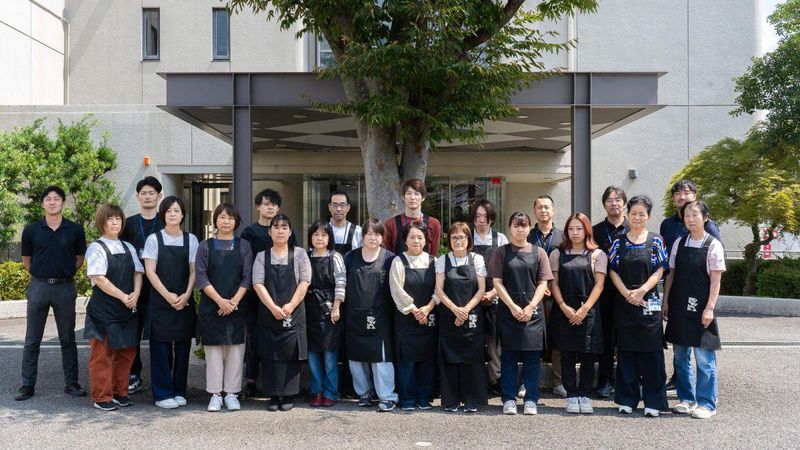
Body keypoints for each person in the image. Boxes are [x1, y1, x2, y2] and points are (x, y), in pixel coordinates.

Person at [16, 186, 88, 401]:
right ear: (43, 203)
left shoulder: (75, 229)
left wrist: (65, 272)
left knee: (67, 338)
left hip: (64, 287)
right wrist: (41, 275)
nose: (52, 202)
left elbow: (79, 258)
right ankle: (27, 385)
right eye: (48, 199)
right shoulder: (31, 230)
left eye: (57, 198)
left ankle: (72, 383)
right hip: (38, 287)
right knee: (32, 339)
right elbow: (26, 261)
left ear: (63, 202)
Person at [608, 195, 669, 417]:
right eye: (633, 213)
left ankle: (654, 402)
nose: (637, 217)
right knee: (626, 354)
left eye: (642, 214)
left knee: (652, 355)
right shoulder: (619, 241)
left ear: (649, 216)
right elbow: (612, 270)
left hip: (648, 302)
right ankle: (627, 399)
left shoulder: (656, 241)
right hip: (625, 303)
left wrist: (642, 290)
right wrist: (626, 293)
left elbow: (660, 270)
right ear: (627, 215)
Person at [659, 179, 722, 392]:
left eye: (686, 192)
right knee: (680, 351)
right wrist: (666, 299)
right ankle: (684, 393)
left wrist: (710, 306)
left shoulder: (711, 233)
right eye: (678, 193)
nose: (682, 196)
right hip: (678, 295)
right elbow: (670, 269)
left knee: (703, 353)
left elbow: (716, 273)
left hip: (701, 296)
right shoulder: (669, 227)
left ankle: (706, 399)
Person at [489, 212, 554, 415]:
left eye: (523, 225)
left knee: (532, 359)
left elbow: (543, 282)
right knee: (508, 357)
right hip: (508, 312)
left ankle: (531, 399)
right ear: (510, 228)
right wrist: (512, 306)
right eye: (516, 226)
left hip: (533, 313)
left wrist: (531, 306)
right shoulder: (501, 252)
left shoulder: (539, 252)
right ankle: (508, 398)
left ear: (529, 228)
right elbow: (497, 282)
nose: (520, 229)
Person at [83, 204, 144, 411]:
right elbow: (99, 278)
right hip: (103, 311)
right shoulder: (96, 247)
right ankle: (102, 397)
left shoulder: (128, 247)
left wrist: (136, 293)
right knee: (102, 355)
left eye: (118, 219)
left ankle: (120, 392)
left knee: (126, 353)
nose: (115, 222)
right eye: (110, 219)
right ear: (102, 222)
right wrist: (123, 296)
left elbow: (138, 272)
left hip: (126, 309)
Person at [142, 196, 199, 409]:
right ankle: (162, 393)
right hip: (160, 302)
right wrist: (167, 295)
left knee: (183, 348)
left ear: (183, 214)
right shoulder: (154, 239)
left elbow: (194, 270)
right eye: (169, 211)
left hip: (184, 301)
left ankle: (179, 390)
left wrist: (186, 295)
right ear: (163, 215)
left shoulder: (191, 239)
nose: (173, 214)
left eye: (177, 210)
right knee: (161, 349)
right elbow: (150, 271)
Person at [240, 189, 298, 398]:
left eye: (273, 204)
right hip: (256, 293)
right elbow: (245, 262)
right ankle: (251, 379)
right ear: (258, 206)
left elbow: (294, 258)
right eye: (266, 203)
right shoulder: (249, 232)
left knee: (281, 336)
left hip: (283, 292)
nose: (270, 207)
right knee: (254, 336)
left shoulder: (287, 231)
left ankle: (281, 384)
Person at [196, 204, 252, 412]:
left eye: (230, 217)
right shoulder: (205, 246)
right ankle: (215, 395)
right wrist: (220, 301)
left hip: (237, 308)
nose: (226, 221)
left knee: (236, 352)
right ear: (215, 220)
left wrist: (233, 302)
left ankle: (231, 394)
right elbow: (201, 277)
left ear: (236, 222)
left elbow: (247, 277)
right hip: (212, 308)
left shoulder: (244, 246)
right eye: (222, 217)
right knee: (213, 354)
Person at [549, 213, 607, 414]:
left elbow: (599, 285)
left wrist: (584, 309)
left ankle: (585, 395)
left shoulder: (597, 254)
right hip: (564, 310)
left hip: (588, 311)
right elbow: (554, 283)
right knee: (566, 354)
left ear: (587, 230)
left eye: (579, 228)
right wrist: (563, 306)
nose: (575, 233)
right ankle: (571, 395)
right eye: (571, 229)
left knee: (587, 355)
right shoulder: (557, 254)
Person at [252, 214, 311, 412]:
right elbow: (257, 283)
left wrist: (290, 305)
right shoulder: (262, 256)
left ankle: (288, 394)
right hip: (269, 312)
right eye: (276, 227)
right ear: (269, 232)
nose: (280, 231)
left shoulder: (300, 254)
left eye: (284, 227)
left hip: (293, 311)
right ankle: (273, 394)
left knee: (290, 353)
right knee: (270, 353)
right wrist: (273, 307)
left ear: (290, 232)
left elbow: (305, 281)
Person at [343, 219, 399, 412]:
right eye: (369, 233)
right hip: (354, 315)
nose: (373, 238)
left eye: (377, 234)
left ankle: (387, 396)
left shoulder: (390, 258)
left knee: (382, 359)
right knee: (356, 358)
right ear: (363, 236)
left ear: (382, 237)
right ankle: (364, 393)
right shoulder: (350, 257)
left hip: (381, 315)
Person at [435, 222, 487, 413]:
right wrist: (455, 309)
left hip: (472, 316)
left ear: (468, 239)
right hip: (449, 315)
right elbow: (439, 289)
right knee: (450, 359)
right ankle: (451, 400)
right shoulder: (442, 260)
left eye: (462, 237)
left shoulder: (477, 259)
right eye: (454, 237)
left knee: (472, 358)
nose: (458, 241)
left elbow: (481, 289)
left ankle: (471, 400)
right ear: (449, 240)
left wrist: (464, 310)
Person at [120, 176, 164, 394]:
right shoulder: (128, 223)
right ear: (137, 197)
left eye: (151, 193)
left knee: (159, 334)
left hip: (160, 288)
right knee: (133, 333)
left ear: (159, 196)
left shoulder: (166, 222)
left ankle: (160, 377)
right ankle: (133, 373)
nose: (147, 197)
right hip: (134, 287)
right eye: (144, 193)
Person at [389, 222, 438, 411]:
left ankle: (424, 398)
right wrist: (414, 310)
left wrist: (427, 308)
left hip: (429, 316)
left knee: (428, 360)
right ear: (405, 240)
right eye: (412, 237)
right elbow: (396, 289)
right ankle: (407, 399)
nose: (416, 241)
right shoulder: (398, 261)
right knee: (406, 361)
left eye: (420, 237)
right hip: (406, 318)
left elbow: (439, 289)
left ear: (425, 240)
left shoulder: (434, 261)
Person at [526, 194, 567, 398]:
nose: (543, 210)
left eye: (547, 207)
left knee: (558, 338)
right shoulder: (527, 236)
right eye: (539, 207)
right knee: (530, 339)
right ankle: (527, 383)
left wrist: (551, 286)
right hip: (531, 296)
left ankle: (559, 382)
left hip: (557, 295)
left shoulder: (563, 237)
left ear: (553, 210)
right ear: (534, 211)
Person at [591, 185, 628, 398]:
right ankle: (605, 379)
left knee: (627, 336)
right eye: (609, 200)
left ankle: (626, 379)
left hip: (630, 292)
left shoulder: (633, 228)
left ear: (624, 203)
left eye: (618, 199)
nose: (614, 203)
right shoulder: (595, 231)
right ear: (604, 204)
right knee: (604, 336)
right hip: (603, 292)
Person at [305, 221, 346, 407]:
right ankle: (317, 391)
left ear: (329, 238)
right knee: (313, 355)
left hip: (330, 309)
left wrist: (336, 306)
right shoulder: (305, 256)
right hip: (309, 308)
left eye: (323, 235)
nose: (319, 238)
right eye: (315, 235)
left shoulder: (335, 257)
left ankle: (331, 392)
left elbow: (341, 282)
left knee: (330, 356)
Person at [471, 200, 508, 395]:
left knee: (493, 340)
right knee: (473, 338)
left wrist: (493, 292)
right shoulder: (467, 237)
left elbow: (505, 269)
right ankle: (474, 381)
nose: (481, 220)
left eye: (485, 216)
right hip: (471, 296)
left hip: (494, 295)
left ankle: (496, 378)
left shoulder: (500, 239)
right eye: (477, 216)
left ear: (492, 218)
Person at [383, 179, 442, 255]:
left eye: (416, 194)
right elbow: (388, 254)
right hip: (397, 262)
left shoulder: (433, 224)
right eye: (409, 193)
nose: (412, 197)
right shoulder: (390, 224)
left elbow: (433, 254)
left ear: (423, 197)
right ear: (403, 197)